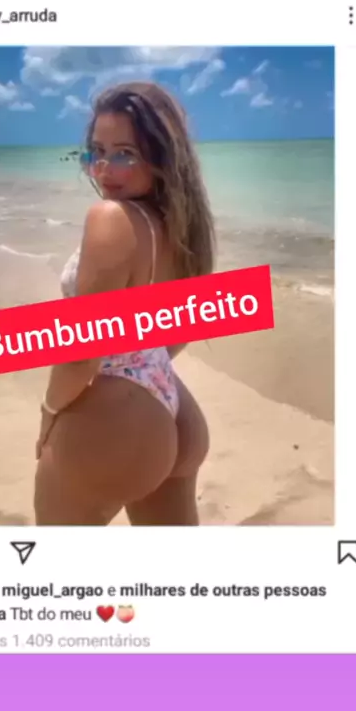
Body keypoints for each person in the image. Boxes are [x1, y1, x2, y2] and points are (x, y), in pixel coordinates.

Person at [34, 81, 216, 525]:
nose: (103, 169)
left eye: (124, 154)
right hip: (174, 405)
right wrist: (144, 370)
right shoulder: (180, 228)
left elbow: (82, 350)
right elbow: (177, 332)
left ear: (161, 158)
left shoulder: (111, 218)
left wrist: (49, 412)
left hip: (116, 419)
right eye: (97, 152)